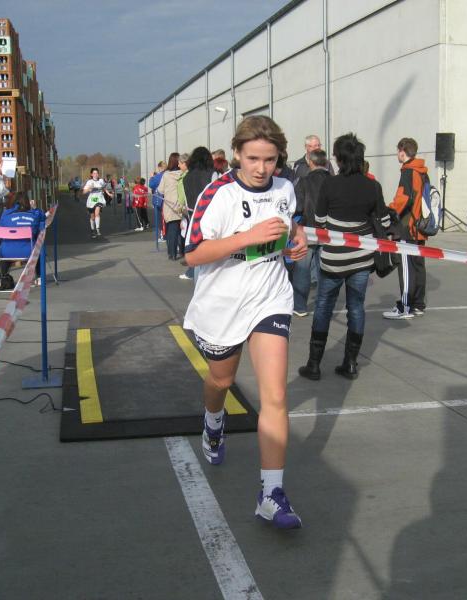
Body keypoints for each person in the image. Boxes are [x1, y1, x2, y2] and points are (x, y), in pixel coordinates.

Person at [183, 115, 307, 529]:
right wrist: (248, 237)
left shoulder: (285, 188)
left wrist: (297, 240)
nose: (261, 168)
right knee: (221, 381)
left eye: (270, 160)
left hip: (270, 297)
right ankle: (213, 421)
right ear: (236, 153)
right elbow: (192, 254)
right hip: (223, 302)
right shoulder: (218, 193)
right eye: (253, 158)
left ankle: (271, 494)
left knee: (275, 396)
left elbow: (291, 226)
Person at [299, 133, 390, 380]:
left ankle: (314, 364)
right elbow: (384, 221)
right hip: (362, 259)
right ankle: (350, 363)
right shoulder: (372, 186)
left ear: (338, 159)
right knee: (356, 308)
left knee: (323, 306)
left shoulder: (330, 185)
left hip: (333, 259)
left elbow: (319, 222)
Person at [382, 137, 429, 320]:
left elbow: (404, 198)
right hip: (420, 226)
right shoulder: (422, 171)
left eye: (398, 150)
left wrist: (389, 210)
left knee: (406, 266)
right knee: (418, 265)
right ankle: (418, 304)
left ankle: (406, 307)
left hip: (407, 226)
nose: (397, 154)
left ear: (402, 151)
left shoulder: (408, 171)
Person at [292, 148, 331, 316]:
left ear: (310, 162)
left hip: (307, 229)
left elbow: (298, 206)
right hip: (330, 232)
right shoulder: (334, 181)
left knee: (302, 269)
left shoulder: (304, 181)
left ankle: (300, 306)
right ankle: (324, 304)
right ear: (326, 163)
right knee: (325, 270)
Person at [0, 191, 45, 286]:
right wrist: (35, 208)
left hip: (7, 252)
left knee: (3, 250)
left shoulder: (6, 215)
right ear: (27, 202)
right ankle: (40, 277)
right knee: (39, 248)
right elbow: (43, 219)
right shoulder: (34, 215)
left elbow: (0, 234)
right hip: (29, 251)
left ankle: (1, 278)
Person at [180, 147, 215, 280]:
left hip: (193, 215)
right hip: (210, 214)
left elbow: (186, 198)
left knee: (195, 246)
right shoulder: (212, 174)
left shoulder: (186, 177)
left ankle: (193, 273)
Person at [158, 153, 184, 260]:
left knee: (172, 231)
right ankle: (183, 251)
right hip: (182, 205)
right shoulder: (183, 173)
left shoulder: (166, 175)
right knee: (183, 229)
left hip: (170, 206)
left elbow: (160, 190)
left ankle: (172, 253)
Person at [82, 167, 112, 239]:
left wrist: (108, 194)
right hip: (91, 200)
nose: (95, 174)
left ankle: (98, 229)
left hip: (99, 199)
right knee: (92, 217)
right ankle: (93, 230)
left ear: (98, 174)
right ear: (91, 174)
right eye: (94, 173)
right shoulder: (89, 182)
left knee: (97, 214)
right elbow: (84, 192)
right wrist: (90, 188)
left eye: (97, 173)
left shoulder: (100, 181)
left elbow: (103, 187)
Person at [149, 160, 167, 241]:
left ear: (160, 167)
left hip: (159, 199)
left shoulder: (158, 176)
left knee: (160, 218)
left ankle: (163, 235)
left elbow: (151, 185)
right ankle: (165, 234)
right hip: (167, 198)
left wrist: (152, 177)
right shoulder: (168, 174)